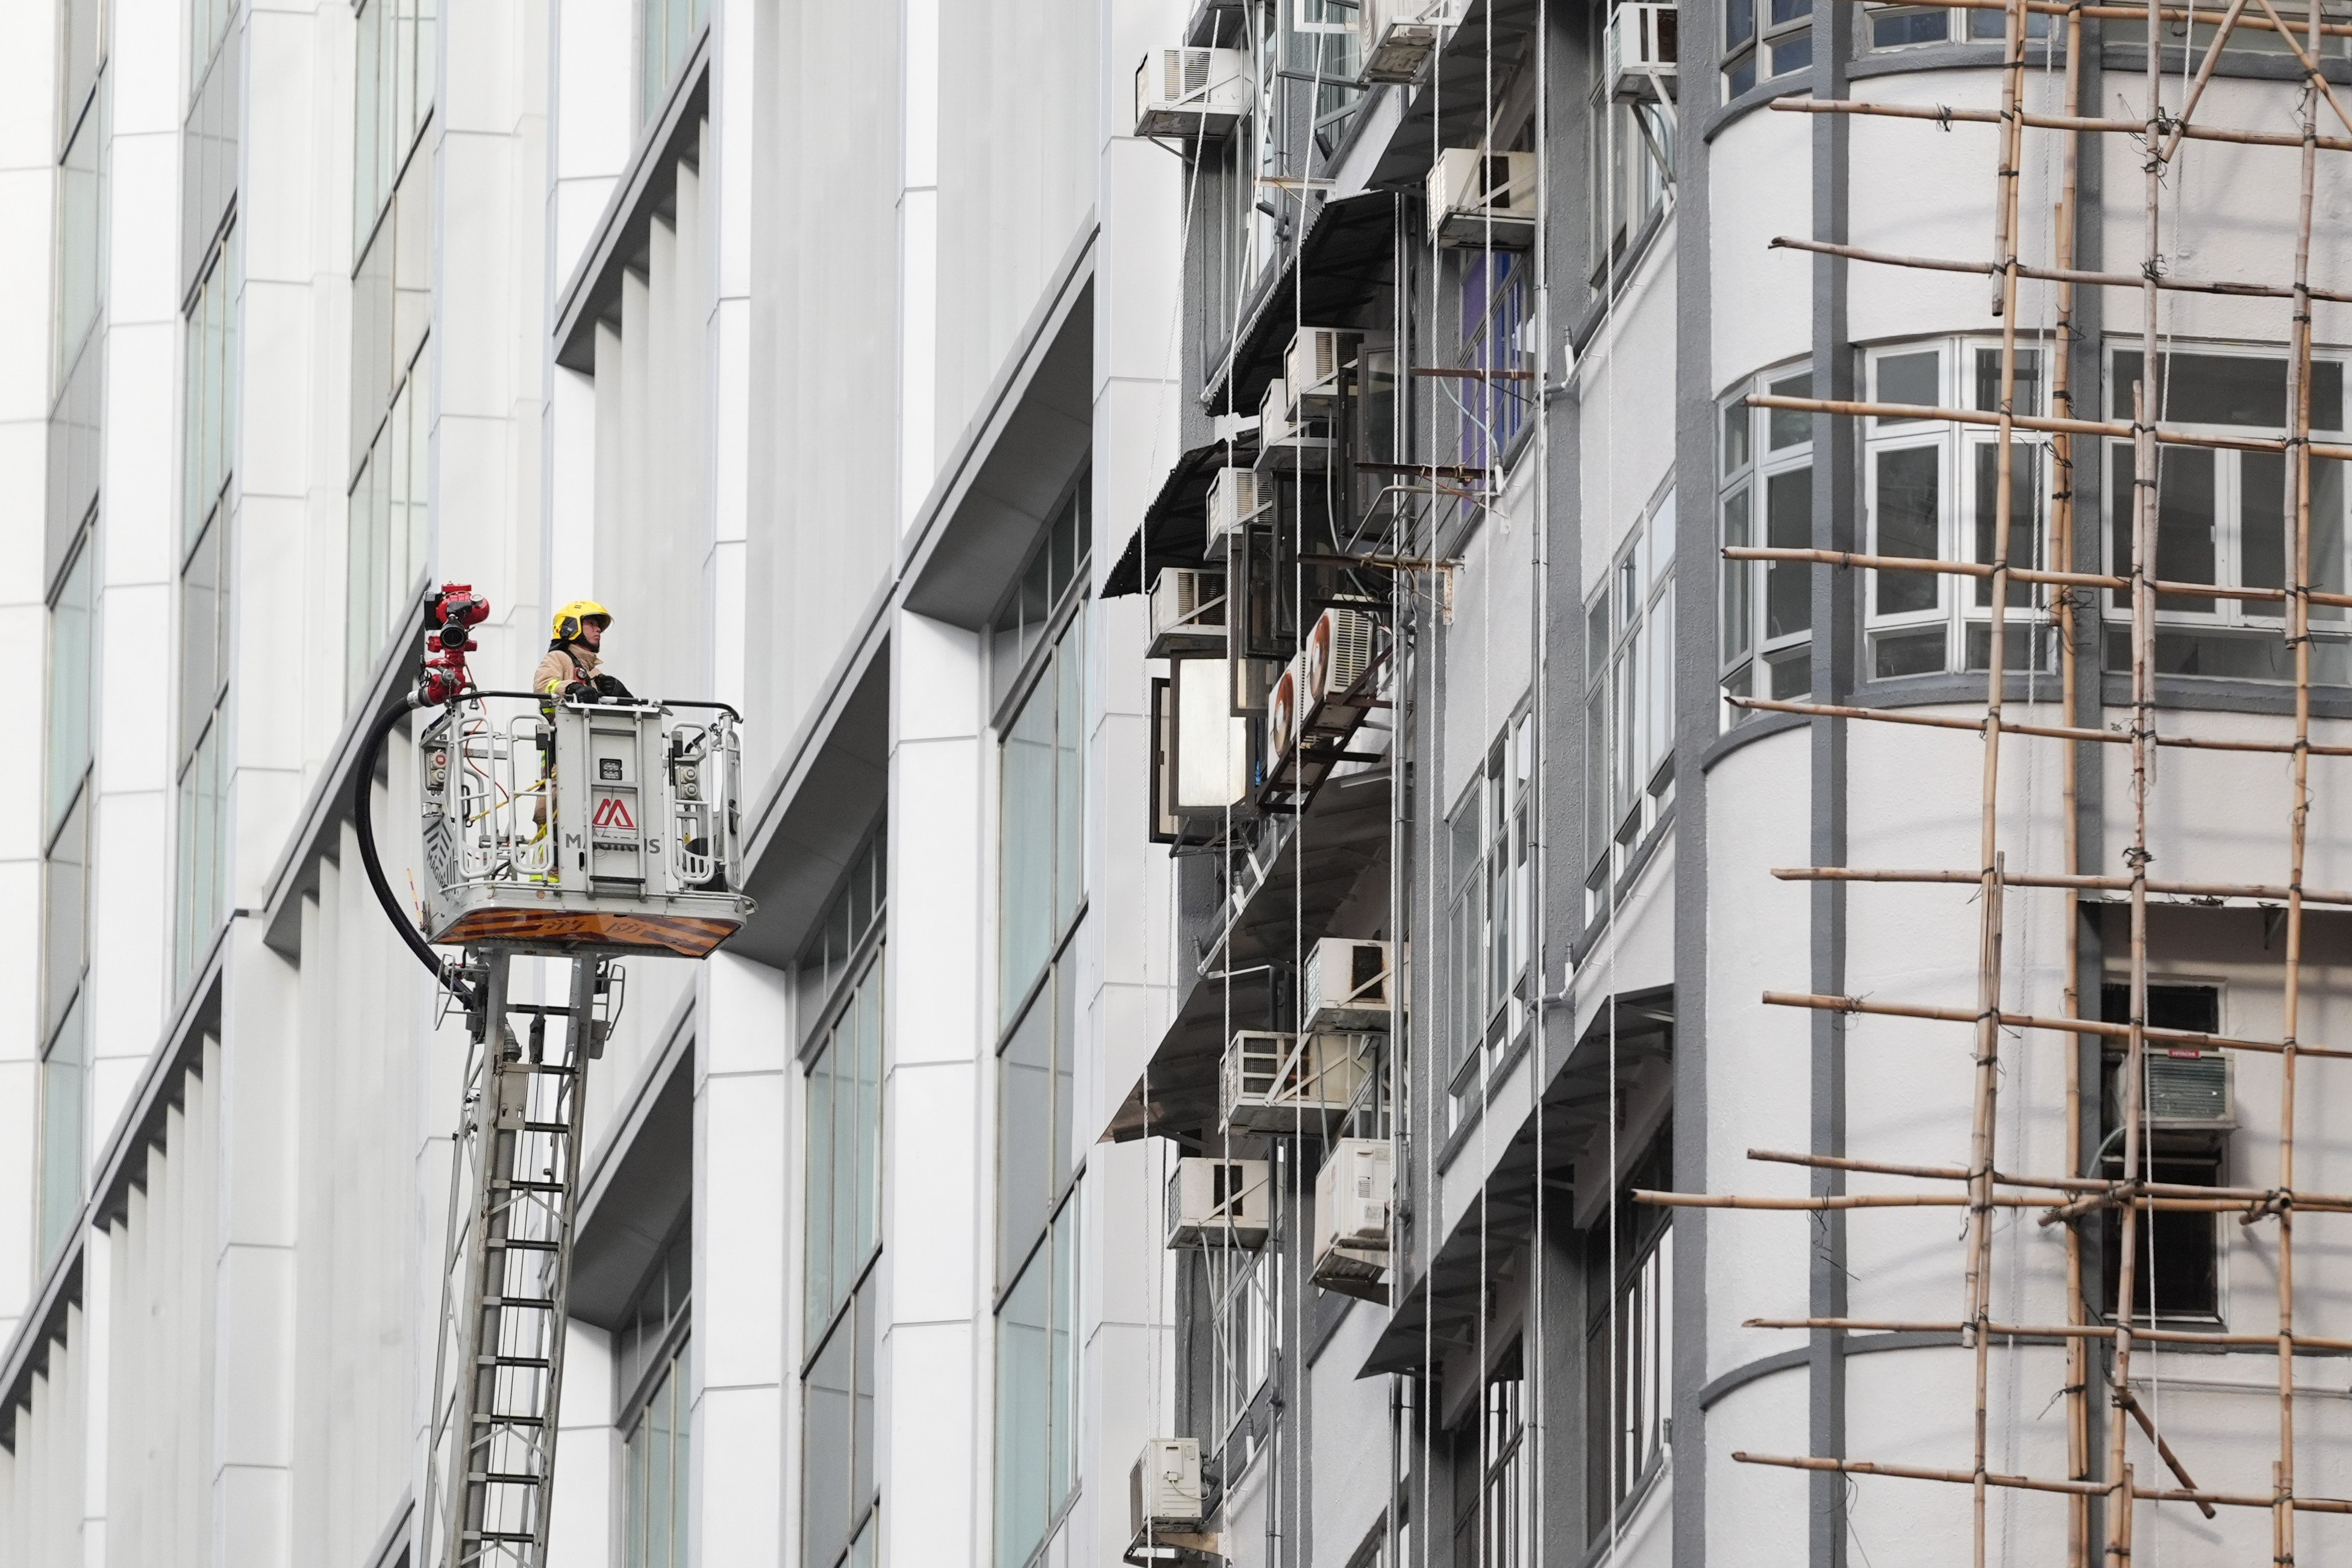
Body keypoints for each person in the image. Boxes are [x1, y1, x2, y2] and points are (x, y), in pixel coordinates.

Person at [534, 600, 636, 704]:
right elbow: (542, 686)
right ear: (572, 627)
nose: (598, 630)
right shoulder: (557, 657)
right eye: (592, 624)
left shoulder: (595, 673)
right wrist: (571, 688)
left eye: (599, 626)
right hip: (562, 720)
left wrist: (623, 696)